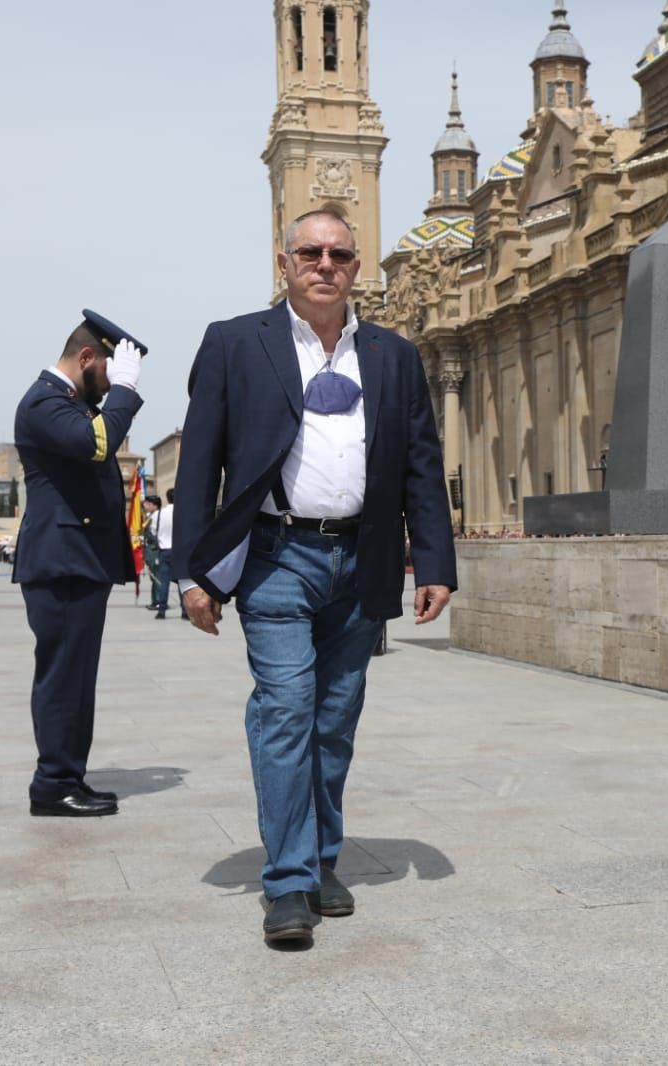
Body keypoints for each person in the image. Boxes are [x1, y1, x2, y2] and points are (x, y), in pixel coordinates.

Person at [172, 209, 457, 943]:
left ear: (356, 267)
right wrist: (191, 573)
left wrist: (432, 559)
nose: (324, 264)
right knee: (290, 707)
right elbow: (201, 460)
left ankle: (320, 856)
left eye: (338, 254)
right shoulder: (236, 343)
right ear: (284, 261)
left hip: (361, 559)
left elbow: (421, 460)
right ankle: (290, 880)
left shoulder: (393, 354)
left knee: (334, 720)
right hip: (275, 557)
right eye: (310, 252)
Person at [13, 309, 145, 818]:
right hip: (61, 561)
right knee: (64, 676)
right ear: (87, 357)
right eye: (111, 374)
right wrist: (126, 397)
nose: (113, 387)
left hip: (77, 560)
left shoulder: (62, 401)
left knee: (75, 675)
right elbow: (98, 443)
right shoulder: (45, 401)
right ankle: (52, 784)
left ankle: (69, 775)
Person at [147, 489, 176, 619]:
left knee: (164, 582)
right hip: (178, 550)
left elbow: (153, 532)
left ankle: (162, 610)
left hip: (164, 551)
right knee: (181, 581)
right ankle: (185, 612)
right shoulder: (181, 512)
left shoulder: (159, 514)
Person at [141, 494, 166, 617]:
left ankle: (158, 601)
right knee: (154, 577)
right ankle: (155, 600)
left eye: (148, 504)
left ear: (154, 505)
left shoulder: (157, 516)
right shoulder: (150, 516)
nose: (146, 506)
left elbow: (156, 535)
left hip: (154, 551)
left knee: (157, 578)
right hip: (149, 551)